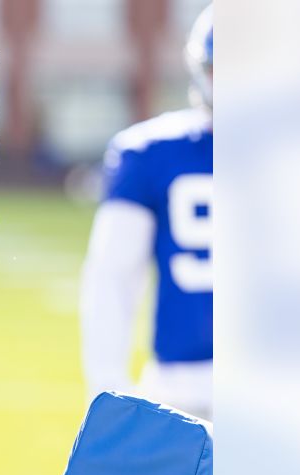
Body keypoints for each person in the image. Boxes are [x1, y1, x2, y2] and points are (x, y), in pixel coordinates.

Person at [80, 5, 213, 420]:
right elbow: (112, 277)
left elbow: (111, 281)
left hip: (181, 390)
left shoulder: (151, 150)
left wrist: (108, 393)